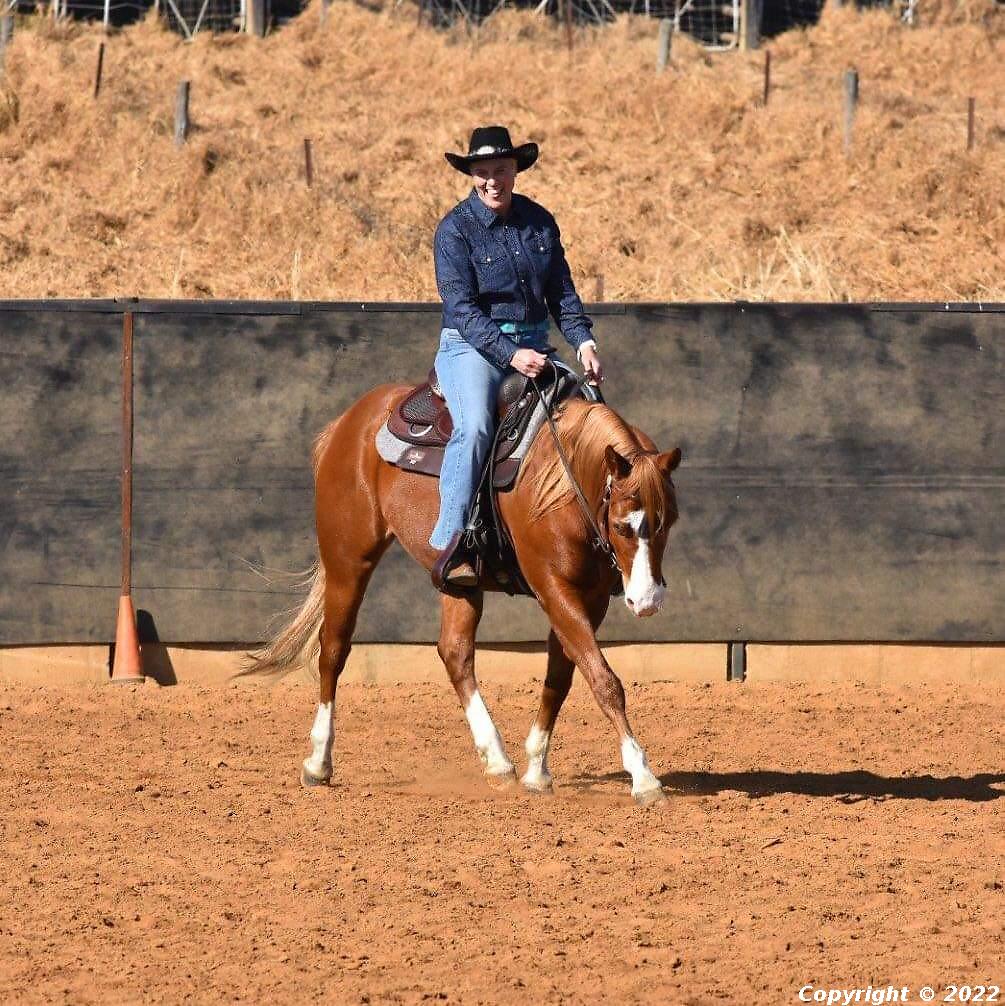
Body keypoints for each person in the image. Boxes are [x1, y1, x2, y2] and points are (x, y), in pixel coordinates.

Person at [430, 125, 602, 588]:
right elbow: (461, 311)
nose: (491, 181)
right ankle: (455, 543)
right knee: (476, 427)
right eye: (482, 172)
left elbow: (561, 293)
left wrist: (583, 341)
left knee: (589, 416)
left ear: (515, 171)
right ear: (471, 175)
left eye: (500, 171)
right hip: (472, 347)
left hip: (536, 347)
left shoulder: (540, 222)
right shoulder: (454, 231)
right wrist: (511, 354)